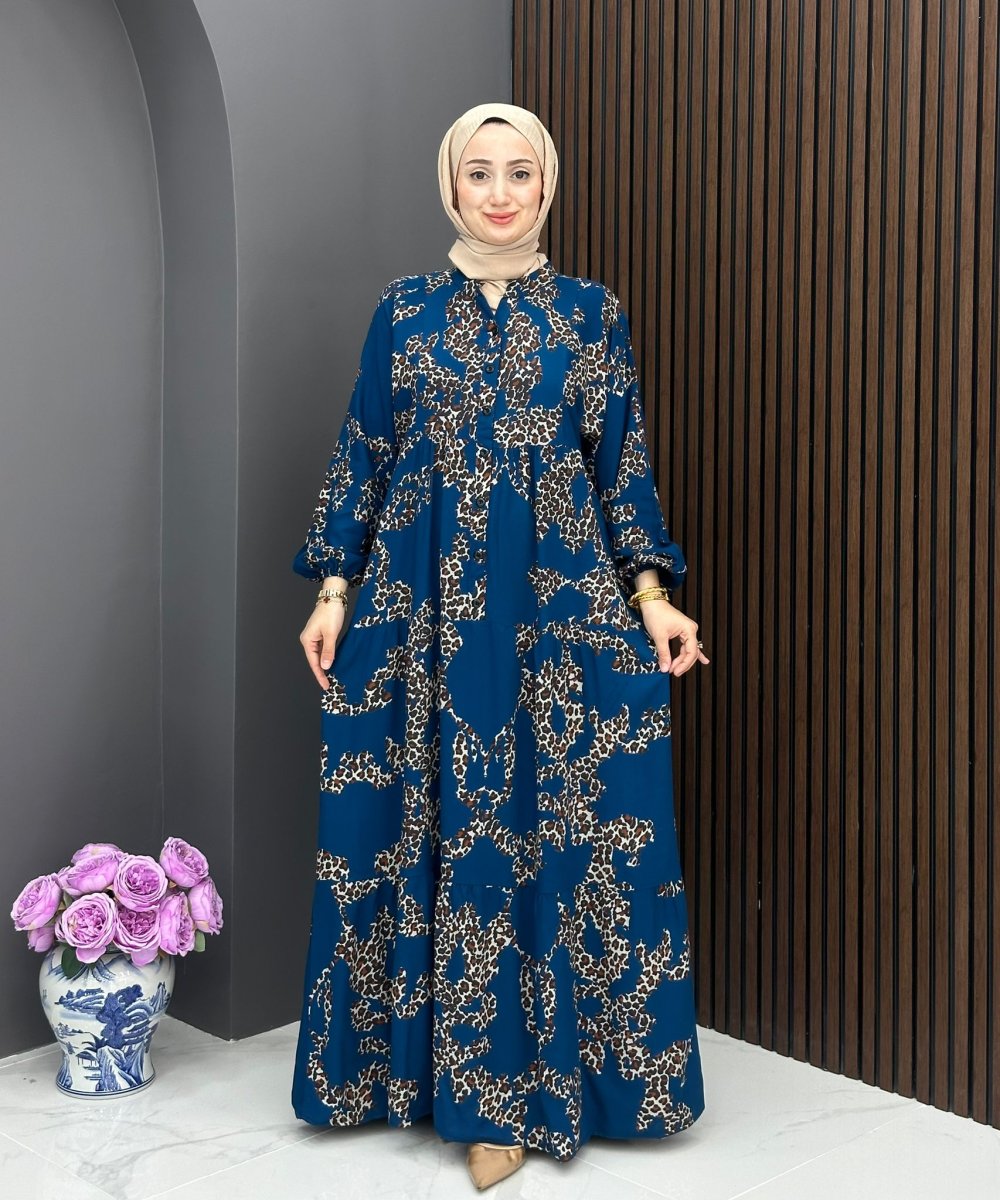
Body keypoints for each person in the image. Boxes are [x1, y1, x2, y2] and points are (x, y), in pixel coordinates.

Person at [290, 101, 708, 1192]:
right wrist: (333, 590)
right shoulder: (404, 312)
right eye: (479, 172)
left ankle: (537, 1092)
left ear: (547, 185)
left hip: (555, 619)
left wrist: (653, 597)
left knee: (553, 828)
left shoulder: (589, 315)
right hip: (420, 614)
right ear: (451, 186)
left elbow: (621, 467)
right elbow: (364, 452)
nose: (500, 192)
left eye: (520, 172)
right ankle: (439, 1088)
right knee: (431, 824)